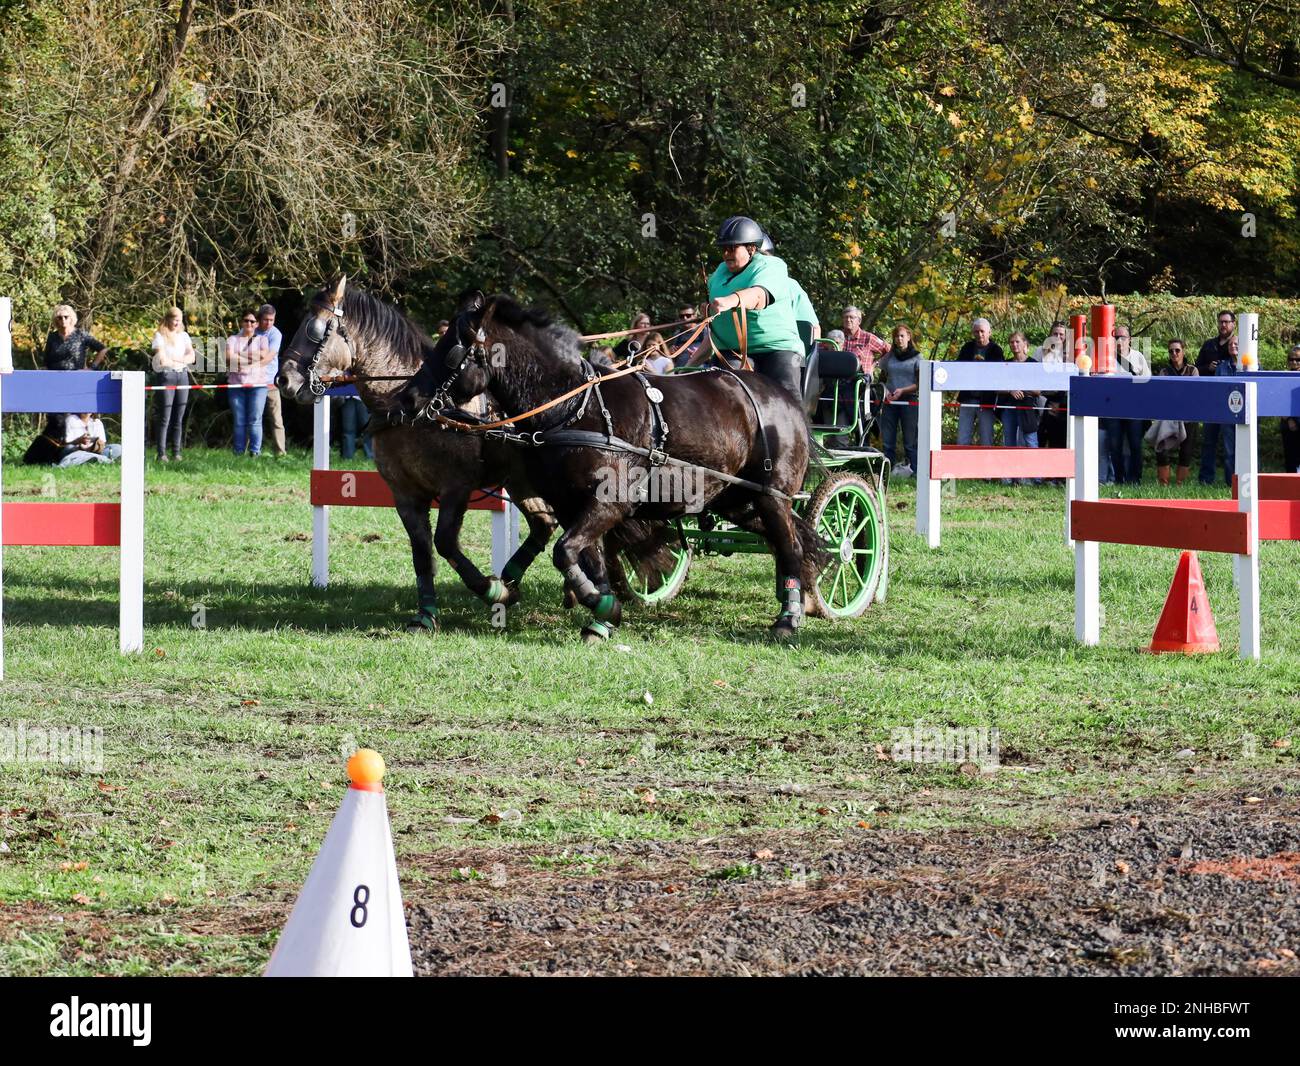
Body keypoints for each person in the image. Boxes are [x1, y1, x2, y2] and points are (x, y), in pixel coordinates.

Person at [701, 215, 805, 402]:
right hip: (732, 351)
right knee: (723, 394)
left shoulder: (771, 266)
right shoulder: (719, 273)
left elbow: (759, 295)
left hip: (776, 349)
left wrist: (731, 300)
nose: (726, 254)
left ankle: (802, 431)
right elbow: (714, 330)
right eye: (724, 249)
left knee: (786, 396)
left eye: (732, 248)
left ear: (751, 248)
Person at [1100, 324, 1151, 485]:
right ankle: (1119, 479)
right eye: (1116, 338)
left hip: (1134, 408)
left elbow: (1148, 382)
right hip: (1113, 408)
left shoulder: (1139, 357)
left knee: (1135, 444)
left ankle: (1135, 479)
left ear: (1129, 340)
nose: (1119, 341)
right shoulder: (1106, 359)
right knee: (1115, 445)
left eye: (1123, 337)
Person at [151, 306, 195, 462]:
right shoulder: (159, 336)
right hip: (167, 376)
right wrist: (181, 360)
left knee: (179, 417)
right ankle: (161, 453)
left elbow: (192, 357)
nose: (177, 323)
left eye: (179, 320)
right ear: (168, 319)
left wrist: (179, 360)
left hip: (182, 376)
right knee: (165, 417)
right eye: (174, 319)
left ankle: (176, 452)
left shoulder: (184, 336)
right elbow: (162, 360)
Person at [1152, 339, 1198, 485]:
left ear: (1183, 351)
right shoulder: (1164, 371)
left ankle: (1180, 482)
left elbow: (1194, 394)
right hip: (1168, 415)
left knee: (1186, 450)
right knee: (1161, 448)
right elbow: (1161, 394)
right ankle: (1163, 481)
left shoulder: (1193, 370)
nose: (1174, 353)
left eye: (1177, 350)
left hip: (1188, 415)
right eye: (1171, 351)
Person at [998, 331, 1041, 484]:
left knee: (1030, 441)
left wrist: (1022, 389)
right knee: (1009, 441)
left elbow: (1038, 390)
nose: (1014, 345)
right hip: (1009, 407)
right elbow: (997, 387)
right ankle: (1010, 476)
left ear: (1025, 345)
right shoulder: (1006, 364)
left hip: (1027, 408)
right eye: (1012, 342)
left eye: (1017, 342)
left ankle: (1035, 477)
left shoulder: (1034, 364)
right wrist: (1011, 390)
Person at [227, 311, 271, 456]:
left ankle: (255, 452)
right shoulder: (232, 339)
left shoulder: (262, 339)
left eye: (252, 321)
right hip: (236, 385)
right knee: (239, 420)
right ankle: (238, 453)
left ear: (257, 324)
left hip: (258, 386)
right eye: (246, 321)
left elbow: (264, 355)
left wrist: (239, 356)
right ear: (241, 322)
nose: (249, 324)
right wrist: (252, 358)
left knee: (255, 419)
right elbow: (229, 357)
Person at [878, 324, 920, 476]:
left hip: (910, 401)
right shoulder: (889, 356)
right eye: (896, 336)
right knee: (888, 439)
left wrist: (902, 390)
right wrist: (885, 391)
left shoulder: (917, 357)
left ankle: (916, 472)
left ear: (909, 337)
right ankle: (887, 472)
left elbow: (920, 383)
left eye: (902, 336)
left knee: (910, 441)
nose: (899, 339)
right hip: (890, 401)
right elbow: (881, 378)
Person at [1201, 336, 1243, 485]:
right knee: (1229, 451)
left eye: (1236, 343)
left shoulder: (1251, 366)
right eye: (1231, 344)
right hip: (1227, 413)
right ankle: (1231, 483)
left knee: (1248, 450)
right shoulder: (1222, 367)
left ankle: (1250, 482)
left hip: (1246, 414)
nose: (1233, 346)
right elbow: (1217, 391)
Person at [955, 317, 1003, 446]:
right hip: (967, 398)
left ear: (989, 332)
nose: (979, 334)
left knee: (987, 438)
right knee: (962, 438)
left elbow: (999, 374)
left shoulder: (996, 350)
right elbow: (958, 367)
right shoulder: (967, 347)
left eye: (982, 331)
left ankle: (987, 465)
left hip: (986, 400)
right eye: (976, 332)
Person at [255, 304, 287, 456]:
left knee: (276, 420)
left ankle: (280, 453)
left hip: (270, 383)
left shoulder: (276, 334)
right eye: (265, 320)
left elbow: (269, 357)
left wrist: (251, 364)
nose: (268, 323)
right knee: (254, 418)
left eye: (272, 320)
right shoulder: (250, 330)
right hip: (253, 383)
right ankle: (253, 452)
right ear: (259, 319)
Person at [44, 305, 108, 370]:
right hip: (55, 377)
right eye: (60, 318)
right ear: (56, 320)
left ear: (71, 318)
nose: (63, 319)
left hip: (77, 377)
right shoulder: (52, 337)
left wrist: (92, 368)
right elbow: (46, 361)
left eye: (66, 317)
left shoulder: (81, 335)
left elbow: (103, 349)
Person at [58, 412, 123, 466]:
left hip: (95, 452)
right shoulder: (71, 419)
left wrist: (98, 444)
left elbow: (103, 443)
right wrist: (79, 441)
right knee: (70, 448)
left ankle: (93, 459)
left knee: (117, 448)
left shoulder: (97, 422)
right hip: (76, 451)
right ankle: (99, 459)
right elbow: (66, 443)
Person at [841, 305, 887, 377]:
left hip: (861, 380)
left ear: (859, 321)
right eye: (845, 317)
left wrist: (874, 365)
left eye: (851, 317)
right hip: (840, 378)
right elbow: (822, 349)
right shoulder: (838, 336)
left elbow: (888, 350)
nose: (848, 320)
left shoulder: (868, 338)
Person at [1196, 310, 1235, 376]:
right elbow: (1196, 368)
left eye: (1226, 322)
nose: (1223, 325)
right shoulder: (1208, 344)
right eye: (1221, 322)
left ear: (1234, 324)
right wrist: (1208, 368)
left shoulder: (1238, 345)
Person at [1283, 346, 1300, 473]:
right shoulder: (1283, 378)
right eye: (1291, 359)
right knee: (1291, 458)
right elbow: (1279, 401)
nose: (1294, 362)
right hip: (1289, 423)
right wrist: (1289, 419)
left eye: (1298, 360)